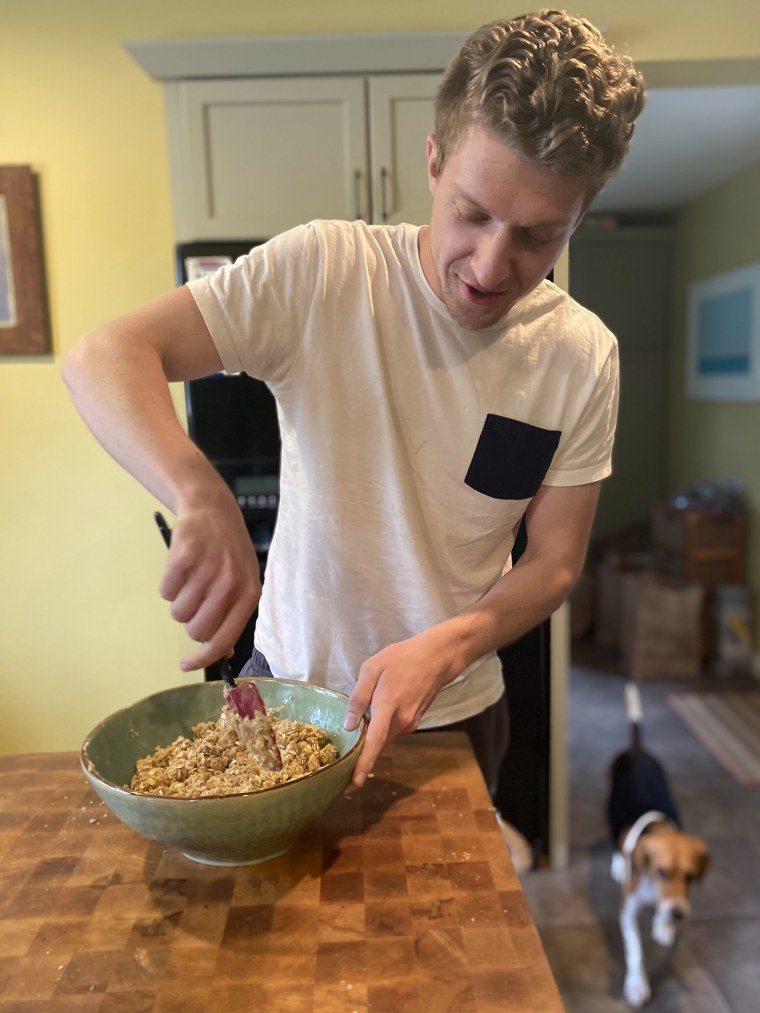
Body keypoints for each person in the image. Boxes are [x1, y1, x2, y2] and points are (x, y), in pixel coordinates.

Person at [63, 10, 646, 795]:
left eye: (539, 237)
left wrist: (442, 648)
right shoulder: (326, 272)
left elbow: (555, 560)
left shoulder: (581, 354)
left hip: (455, 714)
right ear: (434, 164)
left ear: (576, 218)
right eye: (473, 214)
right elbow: (103, 355)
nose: (490, 264)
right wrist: (197, 492)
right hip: (288, 697)